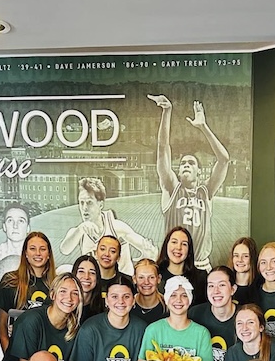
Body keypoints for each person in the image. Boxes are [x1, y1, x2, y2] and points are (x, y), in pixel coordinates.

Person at [148, 94, 231, 271]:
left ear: (199, 171)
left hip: (201, 266)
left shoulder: (206, 191)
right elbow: (163, 148)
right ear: (178, 171)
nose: (186, 165)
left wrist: (203, 127)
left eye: (191, 163)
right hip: (174, 266)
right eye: (183, 163)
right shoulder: (172, 188)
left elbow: (224, 159)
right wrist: (167, 111)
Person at [58, 177, 157, 274]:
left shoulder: (117, 227)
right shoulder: (79, 230)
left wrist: (148, 254)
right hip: (97, 285)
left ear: (100, 205)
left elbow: (149, 251)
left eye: (89, 203)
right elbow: (65, 249)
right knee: (62, 270)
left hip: (120, 285)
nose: (84, 208)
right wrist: (80, 230)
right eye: (81, 203)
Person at [0, 231, 55, 354]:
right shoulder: (10, 282)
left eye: (42, 249)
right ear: (25, 254)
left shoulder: (57, 286)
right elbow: (2, 326)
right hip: (16, 355)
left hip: (45, 358)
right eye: (32, 249)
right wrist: (9, 357)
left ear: (48, 254)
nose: (38, 253)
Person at [0, 203, 30, 287]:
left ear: (28, 227)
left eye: (21, 221)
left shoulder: (35, 259)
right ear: (4, 226)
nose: (15, 226)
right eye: (10, 220)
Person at [157, 225, 208, 304]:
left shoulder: (201, 278)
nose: (178, 247)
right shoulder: (155, 275)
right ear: (166, 245)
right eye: (174, 242)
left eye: (184, 244)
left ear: (189, 250)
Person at [131, 258, 167, 325]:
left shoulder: (168, 307)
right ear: (134, 279)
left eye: (151, 277)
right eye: (141, 277)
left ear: (158, 279)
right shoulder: (128, 305)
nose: (146, 282)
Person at [73, 254, 104, 323]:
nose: (86, 277)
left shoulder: (102, 311)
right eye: (81, 271)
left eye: (92, 273)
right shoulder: (66, 304)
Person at [229, 236, 259, 304]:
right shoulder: (226, 283)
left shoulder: (260, 285)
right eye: (236, 255)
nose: (240, 260)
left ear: (253, 258)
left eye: (245, 256)